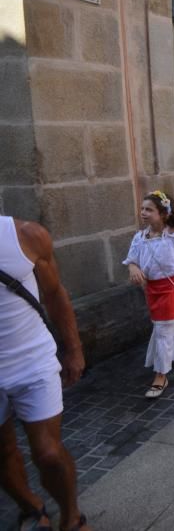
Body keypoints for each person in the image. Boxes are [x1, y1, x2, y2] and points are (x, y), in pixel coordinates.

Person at [0, 216, 88, 531]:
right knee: (2, 453)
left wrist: (74, 349)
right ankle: (31, 507)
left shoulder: (25, 235)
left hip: (32, 362)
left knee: (49, 453)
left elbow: (53, 295)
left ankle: (71, 518)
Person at [123, 191, 174, 398]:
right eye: (142, 209)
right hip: (152, 290)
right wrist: (133, 268)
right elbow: (132, 259)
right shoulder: (140, 237)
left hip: (172, 287)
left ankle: (161, 374)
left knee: (163, 330)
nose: (143, 213)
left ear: (163, 213)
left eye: (149, 209)